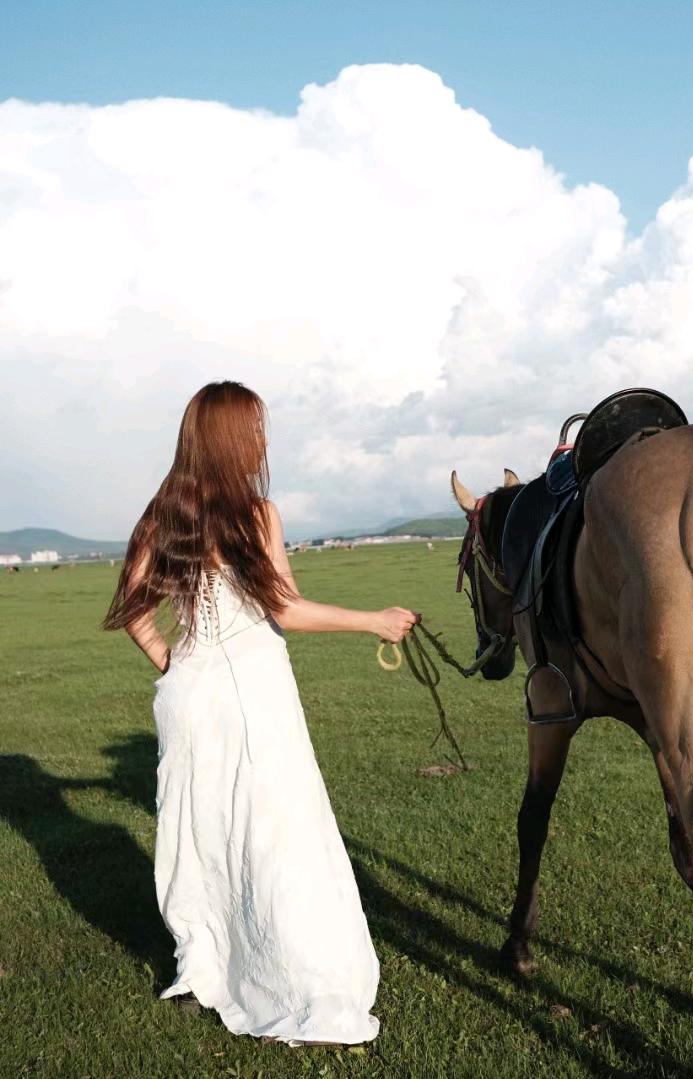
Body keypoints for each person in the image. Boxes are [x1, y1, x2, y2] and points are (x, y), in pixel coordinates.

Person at [104, 380, 416, 1046]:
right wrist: (374, 621)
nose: (263, 441)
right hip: (253, 694)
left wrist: (172, 661)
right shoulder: (257, 512)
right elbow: (285, 610)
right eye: (255, 428)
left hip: (189, 694)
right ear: (232, 438)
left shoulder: (163, 513)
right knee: (276, 835)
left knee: (199, 834)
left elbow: (132, 607)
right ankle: (292, 978)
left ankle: (200, 965)